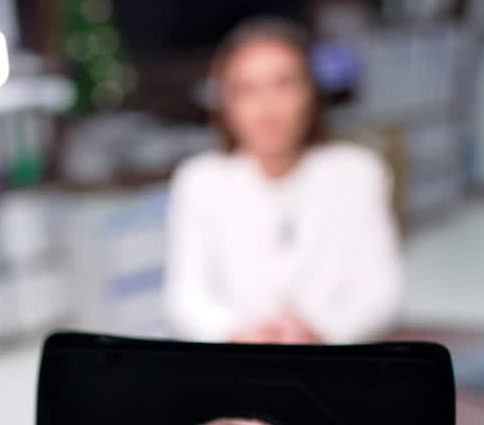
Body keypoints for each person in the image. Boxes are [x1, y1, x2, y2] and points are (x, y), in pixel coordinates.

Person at [164, 18, 403, 344]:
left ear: (310, 93)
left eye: (284, 84)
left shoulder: (356, 172)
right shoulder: (200, 180)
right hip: (237, 357)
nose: (267, 106)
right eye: (247, 89)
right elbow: (186, 296)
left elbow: (380, 293)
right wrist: (236, 331)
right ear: (226, 104)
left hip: (332, 356)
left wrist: (321, 332)